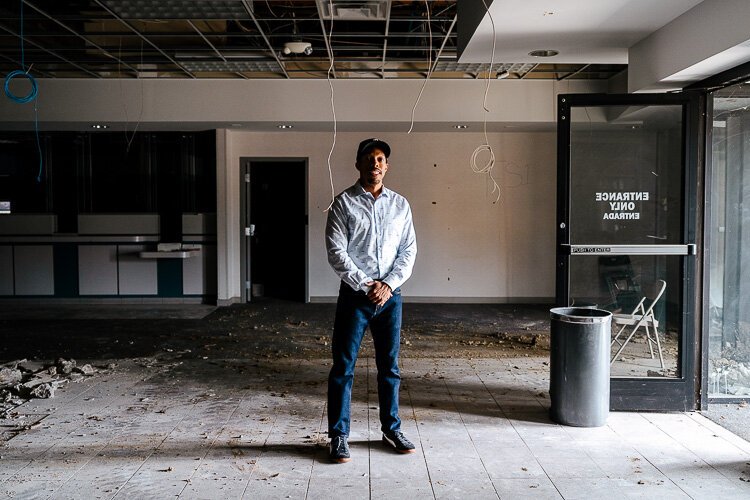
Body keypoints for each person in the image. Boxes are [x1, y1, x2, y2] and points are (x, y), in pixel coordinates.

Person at [324, 138, 418, 463]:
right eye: (369, 159)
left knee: (389, 368)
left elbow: (408, 251)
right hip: (355, 297)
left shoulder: (400, 206)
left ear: (386, 166)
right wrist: (368, 286)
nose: (375, 164)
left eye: (380, 159)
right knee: (343, 367)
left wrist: (388, 285)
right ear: (358, 164)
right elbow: (337, 252)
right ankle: (338, 435)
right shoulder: (343, 204)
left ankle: (391, 428)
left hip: (391, 299)